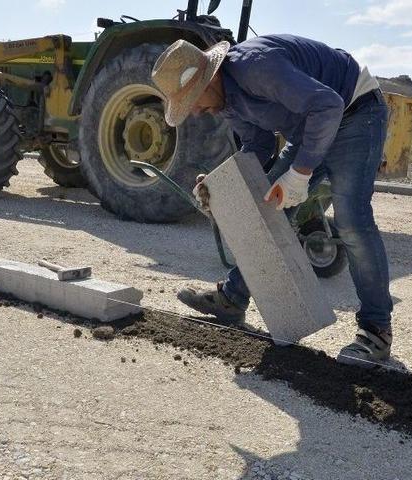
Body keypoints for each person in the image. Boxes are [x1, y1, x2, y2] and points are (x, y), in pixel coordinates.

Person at [150, 35, 393, 367]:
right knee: (264, 208)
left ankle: (376, 331)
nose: (194, 111)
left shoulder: (256, 67)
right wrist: (220, 184)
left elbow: (328, 105)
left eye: (193, 99)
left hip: (355, 112)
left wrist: (300, 173)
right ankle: (233, 298)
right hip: (311, 126)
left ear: (211, 78)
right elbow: (258, 146)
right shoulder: (224, 101)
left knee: (352, 221)